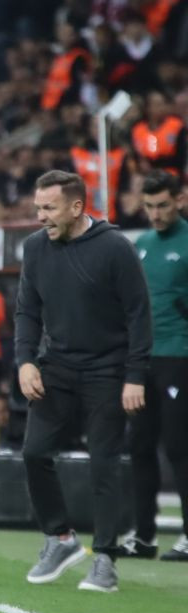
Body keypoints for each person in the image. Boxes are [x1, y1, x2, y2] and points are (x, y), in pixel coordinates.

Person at [16, 170, 152, 592]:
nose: (41, 217)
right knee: (33, 452)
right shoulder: (35, 248)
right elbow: (27, 311)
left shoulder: (115, 248)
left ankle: (106, 559)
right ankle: (59, 538)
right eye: (38, 208)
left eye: (49, 208)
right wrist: (24, 362)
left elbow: (138, 315)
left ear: (77, 208)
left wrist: (135, 375)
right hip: (55, 367)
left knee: (104, 464)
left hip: (107, 372)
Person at [127, 171, 188, 562]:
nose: (155, 214)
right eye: (149, 206)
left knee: (180, 447)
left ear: (179, 200)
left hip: (180, 357)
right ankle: (144, 535)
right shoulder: (142, 244)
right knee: (139, 447)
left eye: (163, 205)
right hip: (144, 358)